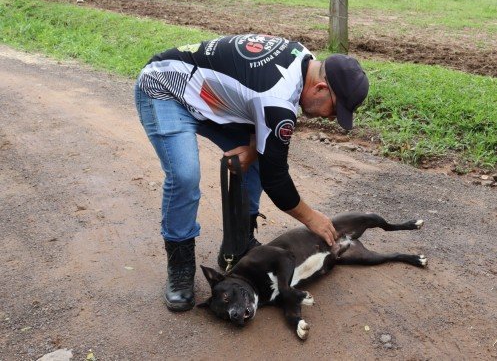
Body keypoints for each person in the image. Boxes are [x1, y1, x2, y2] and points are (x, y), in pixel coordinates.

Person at [134, 34, 369, 312]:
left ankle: (237, 244)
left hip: (209, 97)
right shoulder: (278, 98)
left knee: (259, 153)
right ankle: (180, 264)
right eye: (335, 110)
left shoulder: (303, 58)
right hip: (165, 89)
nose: (331, 118)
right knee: (185, 176)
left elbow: (259, 105)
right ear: (319, 88)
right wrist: (312, 218)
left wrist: (254, 145)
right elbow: (276, 178)